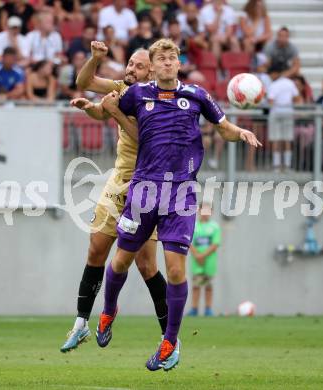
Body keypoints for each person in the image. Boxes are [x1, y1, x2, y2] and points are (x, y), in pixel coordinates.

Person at [98, 38, 261, 371]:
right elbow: (105, 110)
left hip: (181, 194)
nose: (169, 62)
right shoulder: (138, 94)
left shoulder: (196, 95)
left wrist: (240, 132)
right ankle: (108, 309)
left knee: (174, 269)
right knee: (121, 261)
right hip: (143, 189)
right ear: (154, 65)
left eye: (173, 57)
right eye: (163, 58)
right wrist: (96, 106)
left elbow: (224, 128)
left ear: (178, 63)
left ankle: (169, 342)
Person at [60, 42, 169, 354]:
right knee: (96, 249)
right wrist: (95, 61)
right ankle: (80, 323)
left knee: (147, 266)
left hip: (147, 188)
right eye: (129, 64)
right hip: (119, 181)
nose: (129, 70)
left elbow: (145, 139)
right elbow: (86, 83)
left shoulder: (159, 100)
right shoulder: (124, 87)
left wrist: (112, 111)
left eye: (137, 66)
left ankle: (169, 338)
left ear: (152, 71)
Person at [188, 203, 221, 317]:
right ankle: (194, 308)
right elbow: (189, 242)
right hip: (196, 262)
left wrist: (203, 256)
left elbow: (215, 244)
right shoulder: (194, 226)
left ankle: (208, 309)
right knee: (196, 285)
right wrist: (197, 255)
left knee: (208, 286)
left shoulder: (214, 227)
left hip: (209, 261)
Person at [267, 66, 299, 171]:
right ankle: (287, 165)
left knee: (276, 139)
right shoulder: (290, 83)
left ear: (275, 73)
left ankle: (276, 166)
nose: (270, 76)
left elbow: (271, 101)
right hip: (288, 112)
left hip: (276, 112)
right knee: (287, 139)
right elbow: (296, 98)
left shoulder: (273, 85)